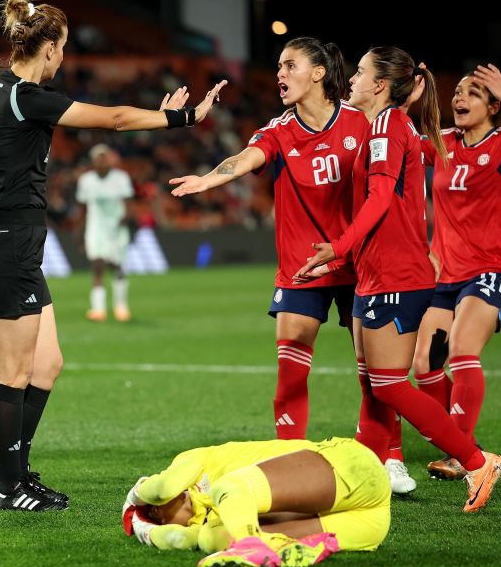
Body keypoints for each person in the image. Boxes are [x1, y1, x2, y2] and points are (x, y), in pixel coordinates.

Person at [0, 0, 226, 512]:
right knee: (14, 371)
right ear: (47, 49)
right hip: (4, 245)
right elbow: (112, 119)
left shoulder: (7, 92)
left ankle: (19, 472)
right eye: (61, 49)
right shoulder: (24, 96)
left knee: (47, 364)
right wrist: (178, 119)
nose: (62, 60)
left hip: (15, 244)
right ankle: (8, 486)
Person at [169, 38, 416, 493]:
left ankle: (390, 457)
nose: (280, 73)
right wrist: (207, 180)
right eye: (278, 65)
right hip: (303, 268)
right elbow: (246, 158)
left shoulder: (363, 124)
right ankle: (289, 457)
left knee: (375, 376)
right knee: (291, 370)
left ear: (319, 73)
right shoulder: (280, 129)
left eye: (290, 65)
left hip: (357, 261)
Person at [294, 46, 501, 512]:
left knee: (389, 385)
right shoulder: (383, 125)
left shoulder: (388, 126)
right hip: (373, 275)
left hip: (397, 274)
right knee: (373, 385)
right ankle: (368, 479)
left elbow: (379, 199)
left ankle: (475, 461)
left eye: (360, 72)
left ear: (378, 85)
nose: (350, 79)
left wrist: (339, 249)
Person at [410, 65, 501, 479]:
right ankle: (464, 445)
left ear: (492, 106)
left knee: (461, 350)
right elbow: (399, 143)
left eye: (473, 93)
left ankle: (461, 454)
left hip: (489, 272)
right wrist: (410, 97)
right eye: (457, 91)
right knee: (425, 364)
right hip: (444, 276)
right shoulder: (440, 142)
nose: (460, 98)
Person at [121, 437, 390, 567]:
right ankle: (272, 547)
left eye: (152, 506)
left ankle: (254, 547)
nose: (155, 508)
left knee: (227, 487)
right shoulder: (223, 519)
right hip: (368, 523)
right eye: (154, 515)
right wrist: (142, 527)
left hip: (351, 466)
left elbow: (162, 488)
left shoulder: (191, 461)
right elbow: (178, 539)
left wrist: (135, 497)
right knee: (210, 538)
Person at [76, 143, 135, 322]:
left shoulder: (121, 178)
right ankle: (98, 309)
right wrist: (79, 230)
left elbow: (129, 203)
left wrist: (126, 218)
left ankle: (121, 306)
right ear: (93, 161)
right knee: (97, 265)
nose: (102, 161)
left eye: (105, 157)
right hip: (96, 228)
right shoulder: (86, 180)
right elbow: (83, 208)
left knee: (116, 266)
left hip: (117, 228)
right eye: (98, 158)